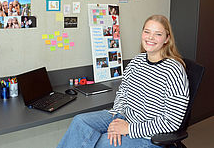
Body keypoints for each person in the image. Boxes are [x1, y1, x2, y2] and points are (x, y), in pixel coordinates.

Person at [57, 15, 189, 148]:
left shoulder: (174, 70)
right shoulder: (137, 62)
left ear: (167, 39)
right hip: (125, 118)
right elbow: (123, 93)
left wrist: (129, 129)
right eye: (147, 31)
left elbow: (172, 121)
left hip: (148, 136)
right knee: (80, 122)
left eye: (158, 34)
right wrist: (118, 117)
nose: (150, 37)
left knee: (101, 142)